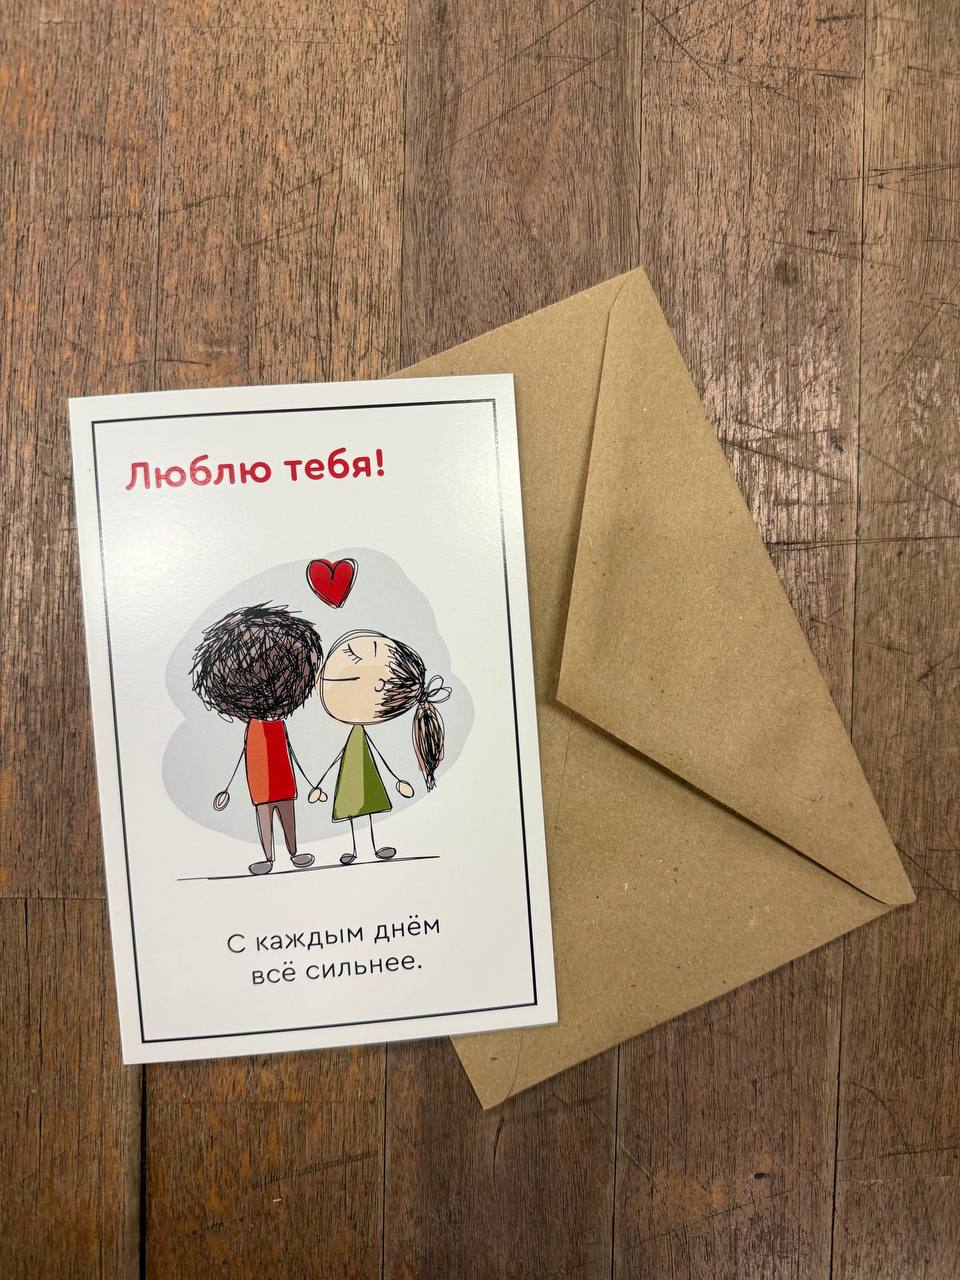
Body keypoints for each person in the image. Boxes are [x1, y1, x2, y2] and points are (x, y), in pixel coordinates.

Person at [190, 604, 324, 876]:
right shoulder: (254, 728)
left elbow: (289, 752)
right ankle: (269, 858)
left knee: (286, 812)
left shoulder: (277, 724)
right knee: (265, 815)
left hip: (284, 781)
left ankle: (293, 852)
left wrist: (308, 780)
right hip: (261, 783)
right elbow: (247, 754)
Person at [312, 630, 451, 864]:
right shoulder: (356, 733)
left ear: (378, 685)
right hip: (351, 778)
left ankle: (370, 848)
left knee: (364, 810)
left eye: (352, 656)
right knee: (355, 812)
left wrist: (396, 779)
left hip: (362, 777)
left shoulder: (362, 734)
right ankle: (357, 849)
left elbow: (375, 756)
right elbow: (342, 756)